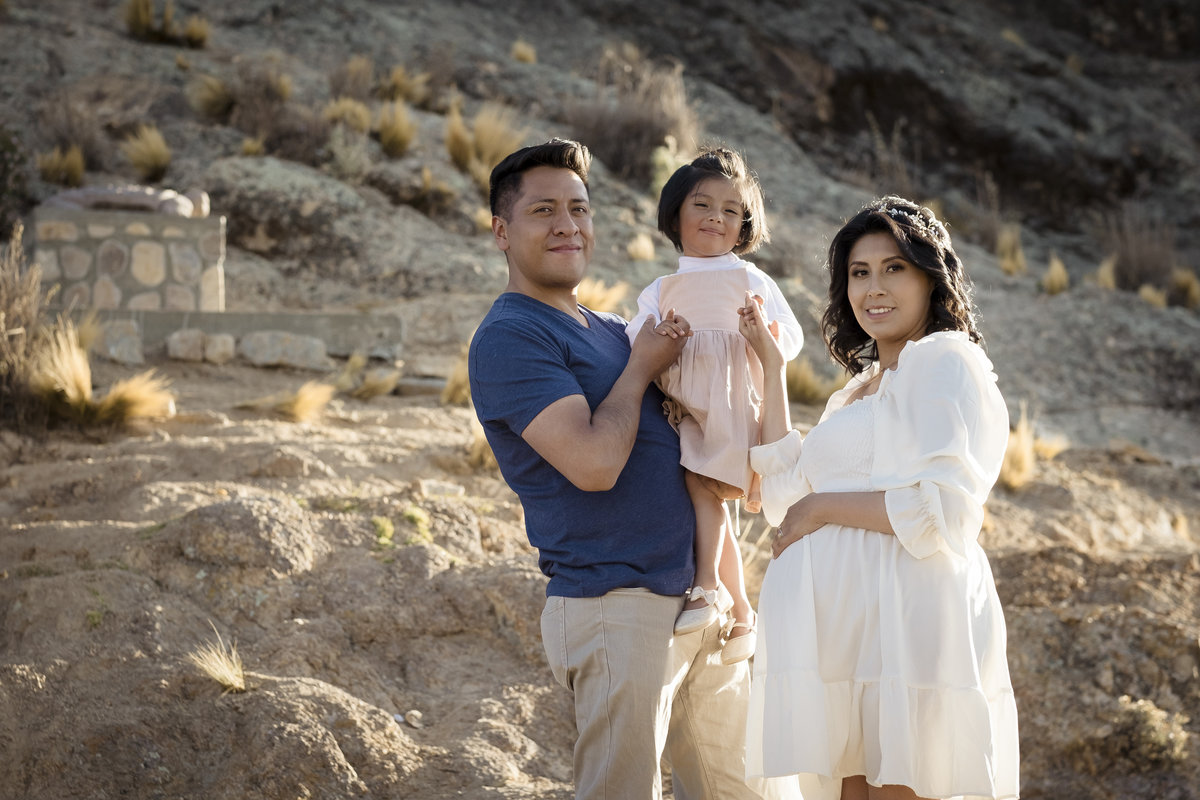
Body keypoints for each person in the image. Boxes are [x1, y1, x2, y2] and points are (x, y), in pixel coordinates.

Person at [469, 138, 787, 800]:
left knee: (746, 792)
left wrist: (731, 592)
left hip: (703, 605)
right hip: (616, 604)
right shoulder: (511, 337)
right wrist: (641, 368)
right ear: (502, 230)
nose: (567, 224)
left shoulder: (617, 328)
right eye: (544, 210)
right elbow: (592, 465)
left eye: (579, 208)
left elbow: (703, 452)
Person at [737, 196, 1020, 800]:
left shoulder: (944, 360)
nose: (873, 288)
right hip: (849, 640)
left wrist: (824, 509)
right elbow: (788, 494)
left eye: (894, 268)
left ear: (929, 276)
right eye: (859, 273)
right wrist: (769, 362)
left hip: (910, 621)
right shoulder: (860, 389)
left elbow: (947, 511)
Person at [628, 147, 803, 664]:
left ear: (744, 225)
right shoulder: (662, 288)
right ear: (675, 214)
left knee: (704, 489)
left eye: (731, 211)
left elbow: (789, 338)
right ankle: (743, 614)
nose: (716, 218)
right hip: (686, 408)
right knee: (704, 495)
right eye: (702, 205)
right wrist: (660, 335)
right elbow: (638, 341)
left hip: (732, 401)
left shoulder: (750, 280)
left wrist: (761, 334)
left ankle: (708, 588)